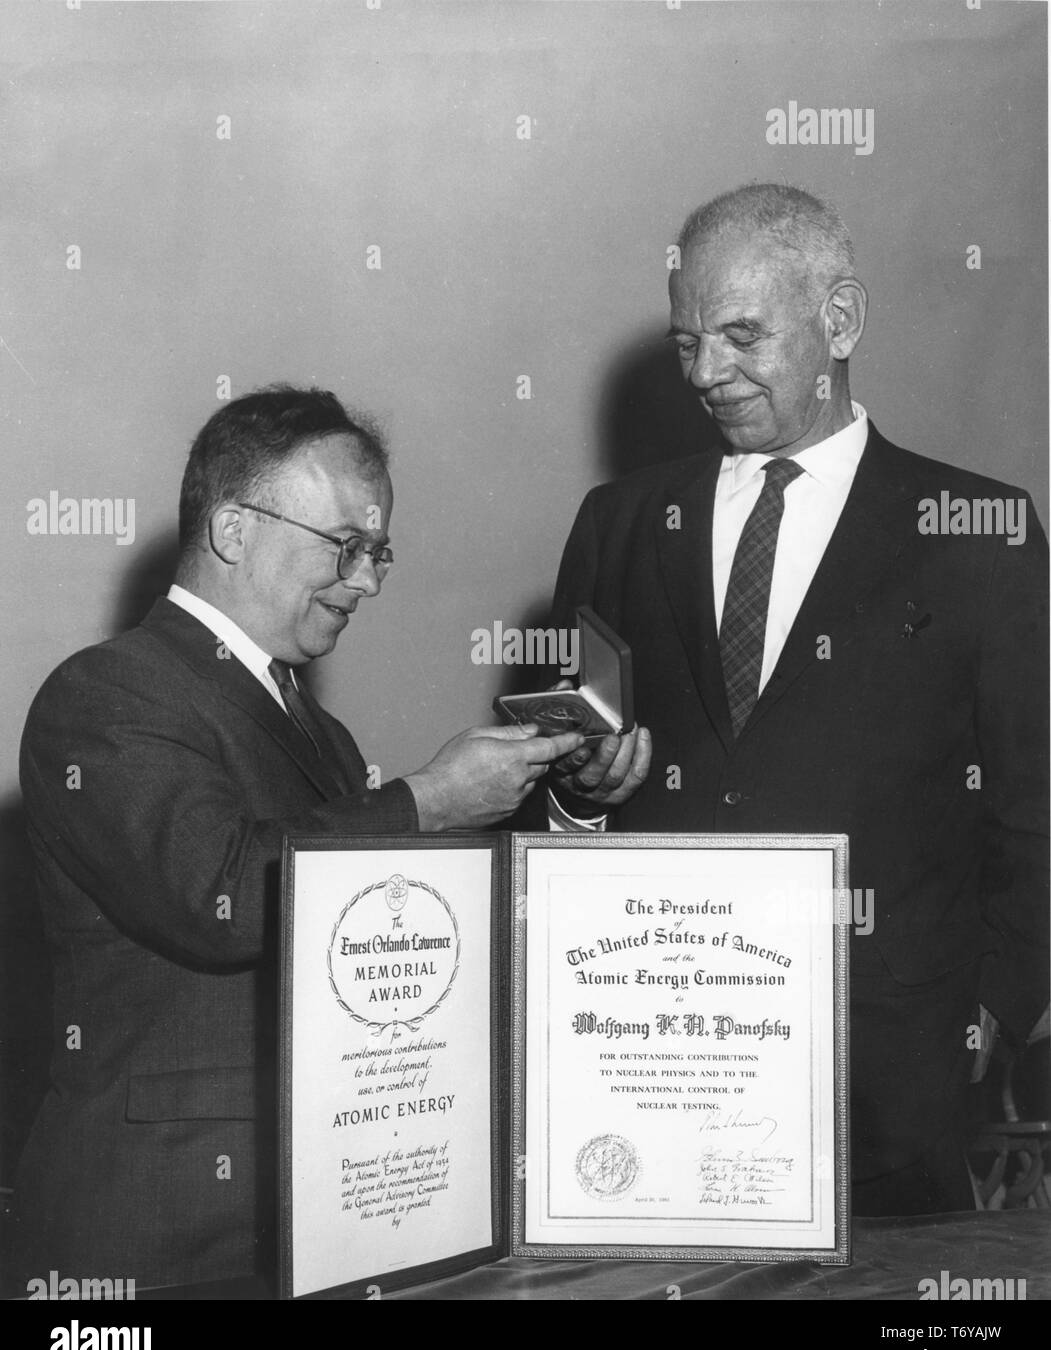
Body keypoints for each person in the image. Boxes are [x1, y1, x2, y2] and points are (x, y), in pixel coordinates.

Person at [12, 385, 588, 1291]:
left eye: (379, 553)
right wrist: (430, 798)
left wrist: (565, 802)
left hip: (315, 1225)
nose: (366, 581)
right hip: (162, 1238)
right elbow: (221, 896)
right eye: (346, 547)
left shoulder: (321, 734)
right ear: (234, 530)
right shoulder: (107, 694)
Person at [546, 184, 1049, 1216]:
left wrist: (986, 1014)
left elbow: (1038, 810)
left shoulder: (981, 532)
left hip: (892, 1092)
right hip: (651, 1080)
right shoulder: (618, 524)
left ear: (840, 320)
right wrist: (581, 793)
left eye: (740, 336)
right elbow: (563, 795)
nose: (705, 375)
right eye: (688, 343)